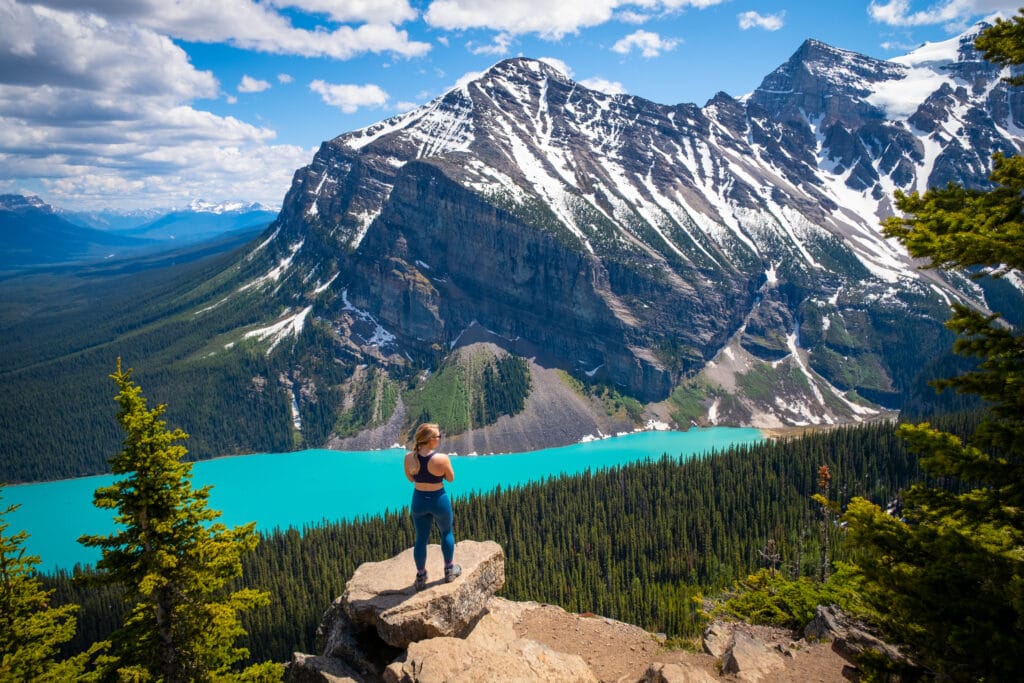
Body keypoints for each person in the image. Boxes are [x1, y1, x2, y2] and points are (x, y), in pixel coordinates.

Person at [403, 422, 461, 590]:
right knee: (446, 532)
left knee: (421, 538)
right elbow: (450, 479)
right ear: (429, 440)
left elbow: (411, 479)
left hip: (419, 500)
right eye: (438, 436)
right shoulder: (441, 459)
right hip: (438, 500)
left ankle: (421, 576)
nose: (439, 439)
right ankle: (449, 570)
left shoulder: (408, 458)